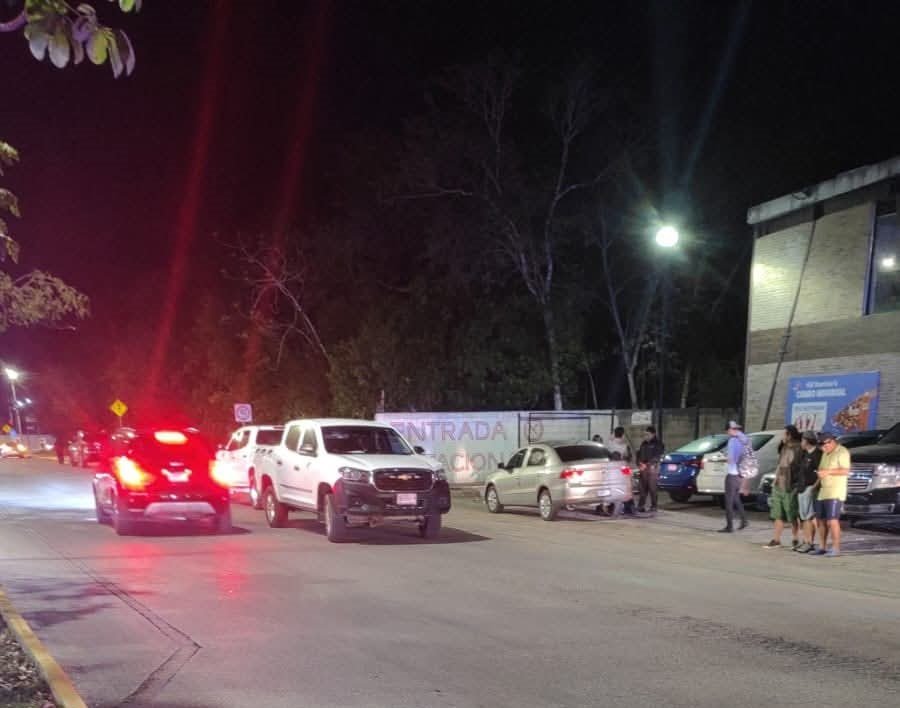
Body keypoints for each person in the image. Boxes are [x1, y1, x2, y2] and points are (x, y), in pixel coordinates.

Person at [764, 425, 802, 548]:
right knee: (777, 514)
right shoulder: (784, 447)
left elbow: (798, 468)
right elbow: (780, 465)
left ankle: (796, 538)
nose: (782, 436)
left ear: (789, 435)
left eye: (784, 434)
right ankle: (776, 539)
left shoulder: (798, 448)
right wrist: (775, 480)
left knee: (792, 513)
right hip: (779, 484)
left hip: (790, 485)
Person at [813, 431, 851, 557]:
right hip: (823, 490)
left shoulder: (842, 452)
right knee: (820, 520)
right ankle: (822, 547)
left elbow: (845, 471)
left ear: (832, 441)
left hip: (835, 491)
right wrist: (814, 486)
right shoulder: (825, 453)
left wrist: (828, 472)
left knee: (832, 520)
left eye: (824, 444)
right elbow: (821, 471)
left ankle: (836, 548)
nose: (823, 448)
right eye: (821, 446)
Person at [793, 430, 822, 553]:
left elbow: (821, 473)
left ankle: (809, 542)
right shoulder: (805, 454)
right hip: (802, 488)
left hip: (809, 488)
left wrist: (813, 487)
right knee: (804, 517)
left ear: (807, 441)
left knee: (809, 517)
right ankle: (805, 541)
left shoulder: (817, 454)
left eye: (803, 440)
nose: (801, 442)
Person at [719, 420, 749, 533]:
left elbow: (731, 459)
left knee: (728, 501)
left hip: (732, 474)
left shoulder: (732, 441)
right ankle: (744, 520)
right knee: (736, 498)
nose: (728, 432)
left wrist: (723, 458)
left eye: (728, 430)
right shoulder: (744, 439)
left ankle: (729, 526)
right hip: (741, 475)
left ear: (729, 430)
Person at [636, 426, 664, 513]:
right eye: (645, 434)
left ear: (653, 434)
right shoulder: (643, 443)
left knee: (652, 488)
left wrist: (648, 464)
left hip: (653, 469)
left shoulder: (658, 444)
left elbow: (657, 456)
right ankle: (641, 506)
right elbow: (639, 455)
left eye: (647, 434)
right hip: (643, 469)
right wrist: (639, 463)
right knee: (642, 488)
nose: (646, 436)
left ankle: (654, 506)